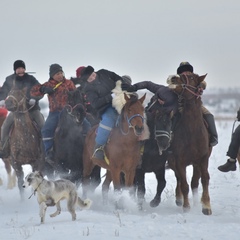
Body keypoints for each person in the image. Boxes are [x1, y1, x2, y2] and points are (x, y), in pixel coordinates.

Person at [122, 61, 218, 147]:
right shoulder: (174, 84)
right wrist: (135, 87)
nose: (186, 72)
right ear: (180, 74)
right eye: (184, 71)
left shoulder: (193, 80)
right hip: (176, 107)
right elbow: (149, 84)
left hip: (192, 105)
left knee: (209, 115)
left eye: (188, 71)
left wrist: (201, 86)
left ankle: (213, 137)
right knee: (161, 122)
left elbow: (203, 82)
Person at [30, 63, 91, 161]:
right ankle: (49, 151)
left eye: (60, 73)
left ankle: (89, 148)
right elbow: (33, 91)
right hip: (55, 113)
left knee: (87, 126)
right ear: (52, 75)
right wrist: (43, 89)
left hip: (70, 112)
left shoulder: (69, 83)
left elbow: (77, 95)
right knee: (46, 130)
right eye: (57, 74)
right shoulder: (48, 84)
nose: (59, 75)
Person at [76, 65, 126, 161]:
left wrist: (122, 86)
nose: (93, 78)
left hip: (122, 100)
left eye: (93, 75)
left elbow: (117, 78)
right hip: (107, 107)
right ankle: (99, 146)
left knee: (135, 114)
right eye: (90, 78)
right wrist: (110, 97)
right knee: (108, 120)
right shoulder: (88, 88)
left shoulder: (104, 73)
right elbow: (95, 103)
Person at [0, 60, 44, 158]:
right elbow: (4, 90)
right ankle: (4, 149)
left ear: (25, 69)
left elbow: (39, 90)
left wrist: (34, 99)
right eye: (18, 68)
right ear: (15, 70)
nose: (20, 70)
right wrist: (2, 99)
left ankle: (45, 150)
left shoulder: (31, 79)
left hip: (32, 110)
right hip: (16, 111)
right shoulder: (10, 79)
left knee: (43, 126)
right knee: (5, 127)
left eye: (22, 68)